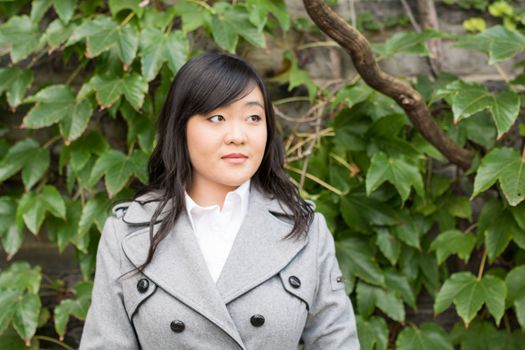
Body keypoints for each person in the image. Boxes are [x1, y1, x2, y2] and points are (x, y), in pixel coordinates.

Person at [79, 52, 359, 349]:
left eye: (253, 117)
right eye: (217, 118)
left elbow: (337, 343)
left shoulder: (306, 230)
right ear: (181, 127)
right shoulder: (127, 234)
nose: (238, 136)